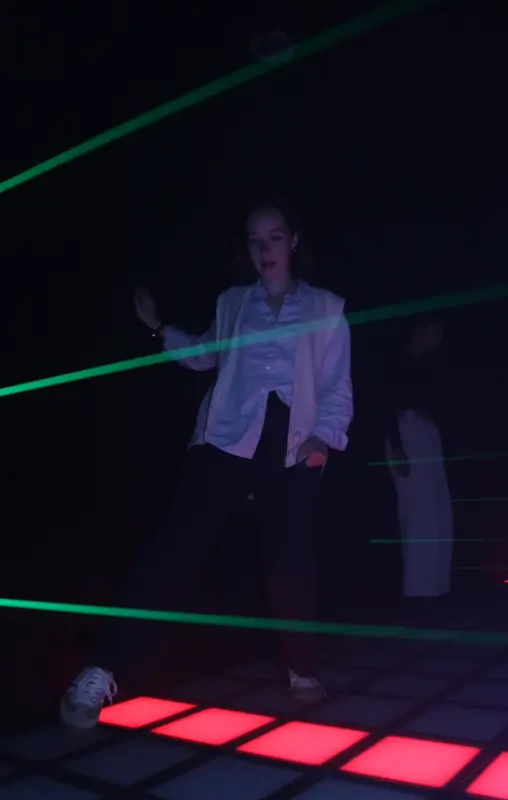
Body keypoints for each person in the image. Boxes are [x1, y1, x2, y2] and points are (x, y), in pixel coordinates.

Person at [60, 195, 353, 729]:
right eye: (254, 240)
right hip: (225, 439)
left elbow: (336, 388)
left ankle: (302, 668)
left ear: (293, 242)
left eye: (274, 237)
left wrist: (324, 439)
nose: (264, 249)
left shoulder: (327, 309)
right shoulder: (234, 303)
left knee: (290, 561)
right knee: (173, 550)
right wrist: (158, 327)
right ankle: (101, 670)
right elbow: (203, 354)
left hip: (292, 444)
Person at [384, 315, 452, 604]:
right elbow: (385, 404)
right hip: (408, 432)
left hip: (427, 434)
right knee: (419, 512)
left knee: (438, 511)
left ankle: (436, 586)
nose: (439, 339)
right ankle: (418, 591)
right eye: (436, 331)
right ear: (421, 330)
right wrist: (397, 446)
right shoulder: (397, 364)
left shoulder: (428, 368)